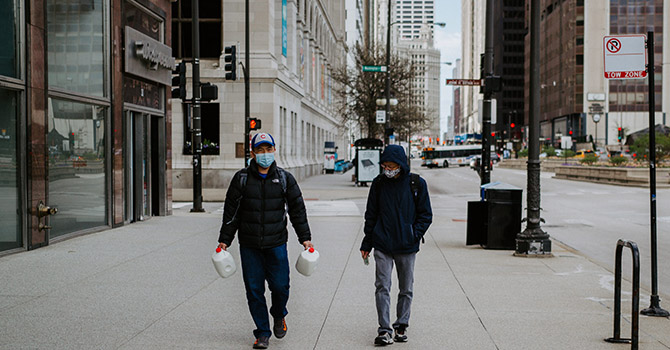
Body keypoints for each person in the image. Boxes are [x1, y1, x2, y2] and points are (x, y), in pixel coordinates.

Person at [218, 132, 313, 349]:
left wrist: (305, 238)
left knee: (280, 287)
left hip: (276, 243)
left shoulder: (285, 179)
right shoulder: (241, 179)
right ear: (252, 153)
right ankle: (262, 332)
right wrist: (225, 239)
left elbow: (297, 210)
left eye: (267, 149)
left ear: (273, 150)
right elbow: (231, 213)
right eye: (259, 150)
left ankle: (279, 314)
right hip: (249, 244)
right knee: (254, 290)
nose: (264, 154)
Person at [360, 144, 433, 346]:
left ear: (401, 165)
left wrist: (414, 234)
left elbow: (426, 215)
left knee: (405, 288)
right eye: (385, 165)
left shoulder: (416, 183)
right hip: (382, 243)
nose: (388, 169)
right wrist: (367, 242)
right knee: (382, 286)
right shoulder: (378, 184)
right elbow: (371, 215)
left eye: (392, 165)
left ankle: (401, 325)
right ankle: (384, 330)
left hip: (406, 246)